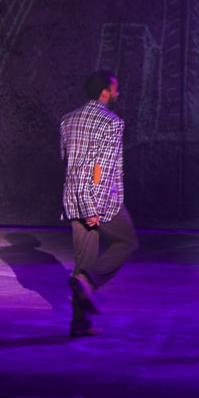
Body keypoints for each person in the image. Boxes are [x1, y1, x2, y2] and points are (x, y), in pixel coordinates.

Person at [59, 71, 138, 338]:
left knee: (84, 259)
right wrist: (93, 207)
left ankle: (79, 323)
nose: (117, 94)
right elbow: (100, 168)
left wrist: (82, 200)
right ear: (105, 92)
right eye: (115, 89)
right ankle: (89, 279)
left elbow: (66, 159)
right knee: (126, 241)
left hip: (73, 196)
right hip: (100, 199)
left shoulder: (67, 120)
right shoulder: (112, 122)